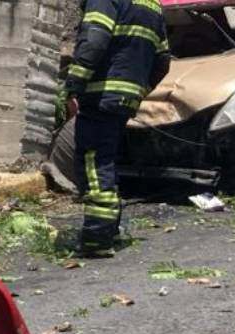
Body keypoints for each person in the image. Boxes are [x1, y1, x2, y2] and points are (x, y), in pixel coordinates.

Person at [64, 0, 170, 257]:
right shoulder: (153, 5)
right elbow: (163, 60)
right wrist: (138, 91)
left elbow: (94, 41)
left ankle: (97, 238)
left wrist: (72, 86)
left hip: (100, 96)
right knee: (106, 162)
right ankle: (110, 230)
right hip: (124, 99)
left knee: (93, 162)